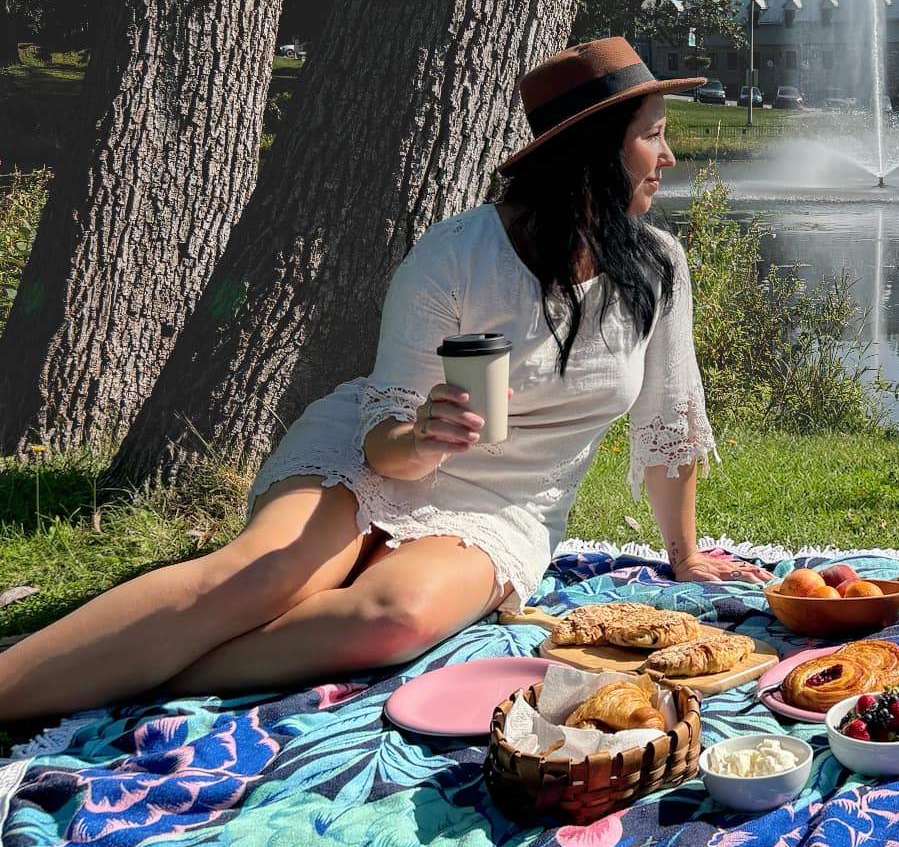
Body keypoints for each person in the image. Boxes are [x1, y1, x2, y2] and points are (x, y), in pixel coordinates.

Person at [0, 39, 770, 724]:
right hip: (375, 457)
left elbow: (668, 417)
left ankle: (121, 668)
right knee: (262, 573)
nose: (669, 158)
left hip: (508, 507)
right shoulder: (454, 256)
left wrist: (685, 551)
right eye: (654, 137)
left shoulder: (657, 265)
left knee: (391, 618)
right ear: (596, 153)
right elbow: (383, 439)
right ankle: (30, 680)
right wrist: (426, 436)